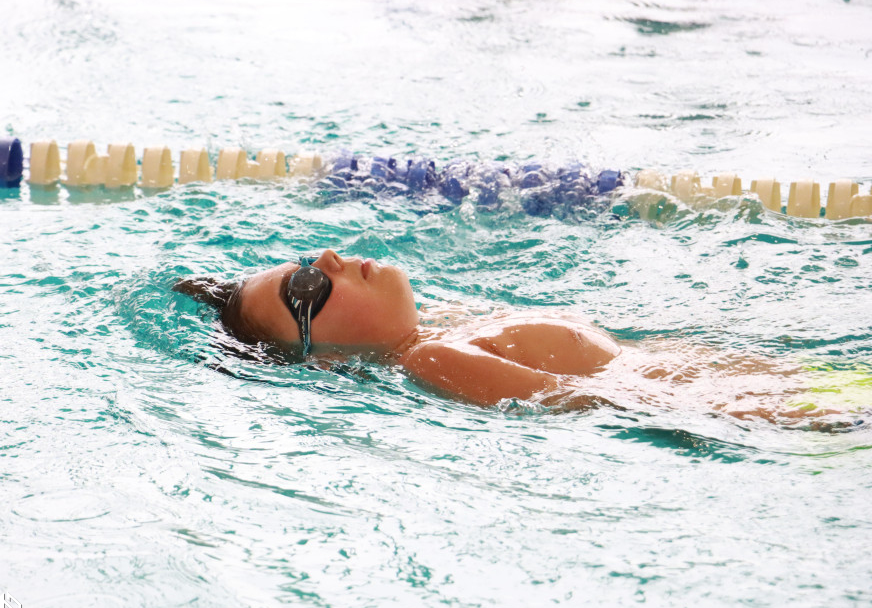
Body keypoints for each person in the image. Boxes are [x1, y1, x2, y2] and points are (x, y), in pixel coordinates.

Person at [174, 249, 864, 423]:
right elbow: (596, 402)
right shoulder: (436, 358)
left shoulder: (448, 327)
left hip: (763, 384)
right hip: (777, 412)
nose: (325, 262)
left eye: (308, 259)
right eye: (307, 291)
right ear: (323, 365)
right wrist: (798, 412)